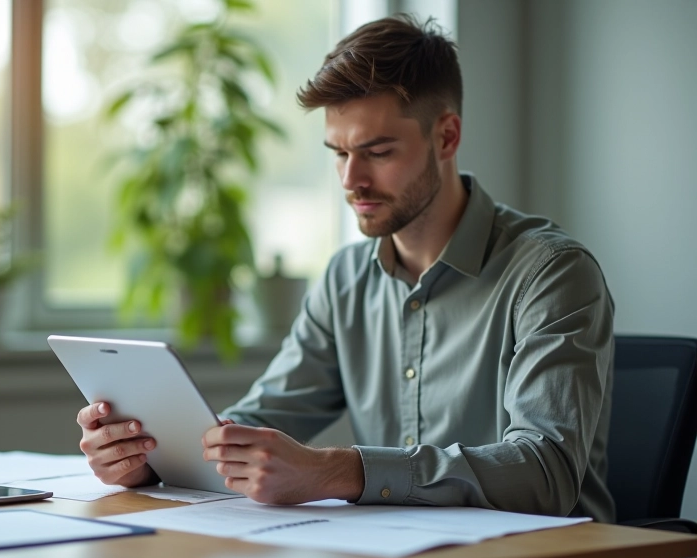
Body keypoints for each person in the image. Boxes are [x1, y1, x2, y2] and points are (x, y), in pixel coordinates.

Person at [76, 14, 615, 522]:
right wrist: (151, 458)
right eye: (338, 152)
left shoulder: (551, 274)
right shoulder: (345, 280)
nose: (350, 179)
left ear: (446, 137)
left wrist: (337, 471)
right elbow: (262, 420)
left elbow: (547, 472)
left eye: (377, 151)